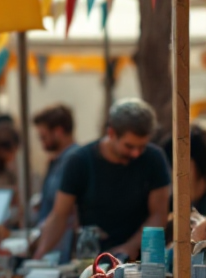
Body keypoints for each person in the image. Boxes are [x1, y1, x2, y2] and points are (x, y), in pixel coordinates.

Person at [34, 98, 170, 261]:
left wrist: (130, 247)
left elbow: (159, 214)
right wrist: (39, 255)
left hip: (140, 260)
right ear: (111, 133)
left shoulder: (154, 158)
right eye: (129, 146)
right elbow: (59, 215)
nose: (136, 153)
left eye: (142, 147)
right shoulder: (80, 161)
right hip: (93, 260)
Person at [34, 104, 79, 262]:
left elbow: (64, 211)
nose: (42, 142)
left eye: (43, 137)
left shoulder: (75, 161)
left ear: (58, 131)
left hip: (63, 249)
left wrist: (40, 251)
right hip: (54, 248)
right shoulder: (57, 161)